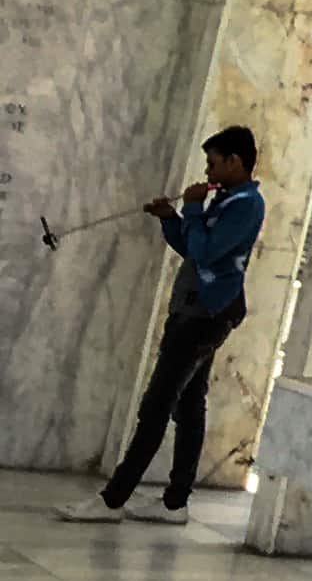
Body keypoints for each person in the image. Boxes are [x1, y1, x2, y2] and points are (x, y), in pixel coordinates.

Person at [55, 128, 264, 527]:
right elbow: (192, 249)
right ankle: (174, 504)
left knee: (156, 405)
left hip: (205, 316)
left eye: (214, 162)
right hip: (194, 310)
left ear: (235, 162)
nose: (208, 171)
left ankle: (113, 500)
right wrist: (173, 219)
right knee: (188, 405)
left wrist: (195, 209)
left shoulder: (245, 205)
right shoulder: (225, 200)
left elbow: (205, 250)